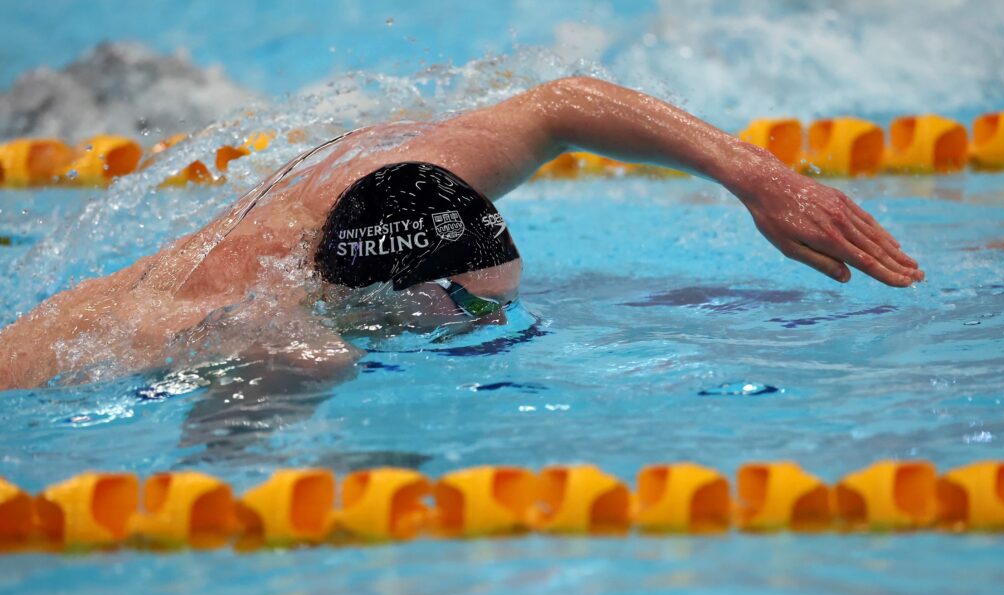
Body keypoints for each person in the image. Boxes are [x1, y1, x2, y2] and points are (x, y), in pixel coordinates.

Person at [0, 76, 923, 392]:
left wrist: (755, 175)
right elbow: (219, 473)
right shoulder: (267, 328)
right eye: (471, 316)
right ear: (396, 296)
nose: (487, 326)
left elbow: (562, 106)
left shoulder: (403, 172)